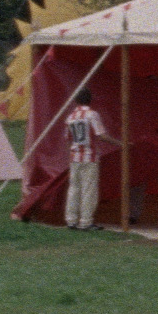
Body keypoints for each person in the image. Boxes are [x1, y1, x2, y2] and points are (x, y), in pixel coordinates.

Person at [64, 88, 122, 230]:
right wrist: (120, 143)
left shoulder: (70, 117)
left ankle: (71, 220)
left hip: (75, 156)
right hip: (89, 156)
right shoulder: (92, 115)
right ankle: (86, 221)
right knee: (89, 189)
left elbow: (67, 139)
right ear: (90, 99)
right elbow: (101, 135)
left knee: (74, 188)